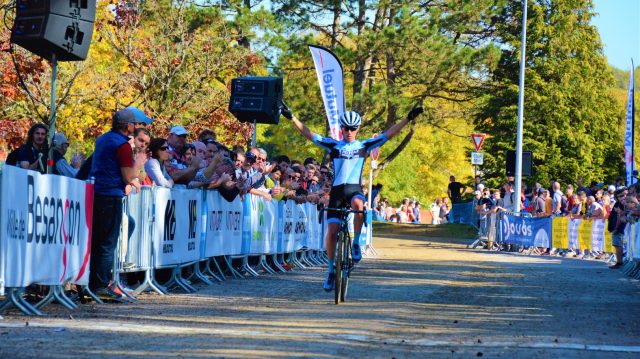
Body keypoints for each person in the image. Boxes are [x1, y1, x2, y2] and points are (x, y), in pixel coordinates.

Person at [284, 102, 423, 291]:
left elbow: (390, 134)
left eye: (353, 128)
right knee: (332, 232)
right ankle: (331, 270)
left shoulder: (364, 145)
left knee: (359, 205)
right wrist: (292, 117)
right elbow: (309, 134)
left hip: (353, 189)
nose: (349, 131)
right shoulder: (333, 145)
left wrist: (408, 118)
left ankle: (356, 242)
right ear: (341, 129)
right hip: (337, 192)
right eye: (346, 128)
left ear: (357, 129)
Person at [88, 107, 148, 302]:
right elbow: (128, 176)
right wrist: (138, 163)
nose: (136, 127)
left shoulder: (103, 139)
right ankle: (99, 286)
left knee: (97, 242)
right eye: (135, 124)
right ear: (128, 126)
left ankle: (93, 283)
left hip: (97, 193)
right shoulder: (121, 145)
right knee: (108, 243)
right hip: (111, 195)